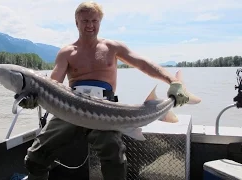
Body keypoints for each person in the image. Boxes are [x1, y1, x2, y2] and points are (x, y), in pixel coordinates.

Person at [20, 1, 189, 180]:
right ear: (76, 22)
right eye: (85, 21)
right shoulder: (67, 52)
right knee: (36, 155)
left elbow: (143, 64)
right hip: (70, 108)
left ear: (100, 21)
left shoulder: (113, 47)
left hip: (106, 110)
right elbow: (53, 83)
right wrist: (35, 97)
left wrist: (172, 80)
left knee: (114, 154)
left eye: (94, 20)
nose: (90, 25)